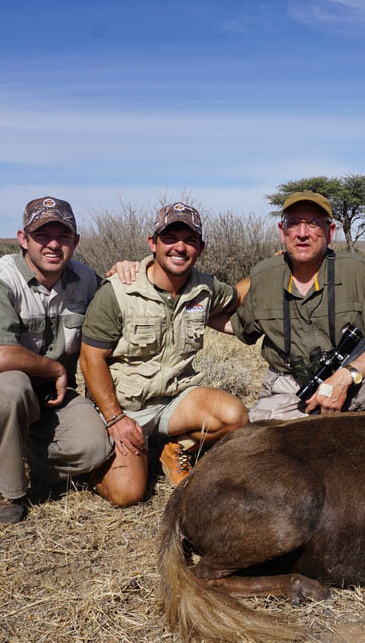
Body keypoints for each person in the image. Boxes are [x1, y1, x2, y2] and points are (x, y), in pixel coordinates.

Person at [0, 196, 145, 523]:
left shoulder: (86, 280)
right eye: (42, 235)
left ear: (75, 241)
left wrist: (128, 271)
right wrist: (55, 367)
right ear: (23, 239)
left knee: (95, 447)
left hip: (53, 397)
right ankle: (5, 490)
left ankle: (26, 450)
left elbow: (119, 310)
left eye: (63, 236)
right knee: (12, 388)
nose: (53, 245)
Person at [79, 202, 248, 486]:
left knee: (235, 418)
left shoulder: (204, 288)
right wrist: (115, 419)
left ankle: (176, 448)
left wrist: (281, 264)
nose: (179, 247)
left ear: (201, 248)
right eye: (170, 238)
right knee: (127, 493)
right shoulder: (119, 291)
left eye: (190, 240)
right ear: (153, 243)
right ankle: (112, 452)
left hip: (174, 400)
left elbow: (239, 295)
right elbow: (90, 359)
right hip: (126, 406)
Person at [228, 190, 365, 420]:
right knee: (259, 442)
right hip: (291, 386)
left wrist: (346, 376)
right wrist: (191, 309)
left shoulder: (357, 271)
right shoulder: (264, 275)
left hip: (355, 379)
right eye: (294, 224)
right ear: (282, 231)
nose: (302, 233)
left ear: (330, 232)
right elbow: (238, 326)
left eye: (313, 224)